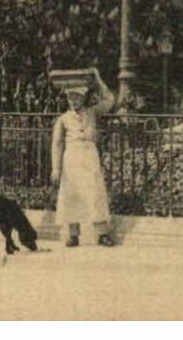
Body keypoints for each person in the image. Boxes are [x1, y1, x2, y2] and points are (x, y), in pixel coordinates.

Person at [51, 74, 117, 247]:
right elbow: (57, 144)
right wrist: (55, 168)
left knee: (95, 193)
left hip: (89, 156)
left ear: (83, 97)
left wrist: (98, 78)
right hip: (71, 158)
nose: (73, 101)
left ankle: (102, 234)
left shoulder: (93, 112)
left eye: (77, 97)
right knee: (71, 194)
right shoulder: (62, 119)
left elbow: (110, 99)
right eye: (70, 97)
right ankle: (73, 235)